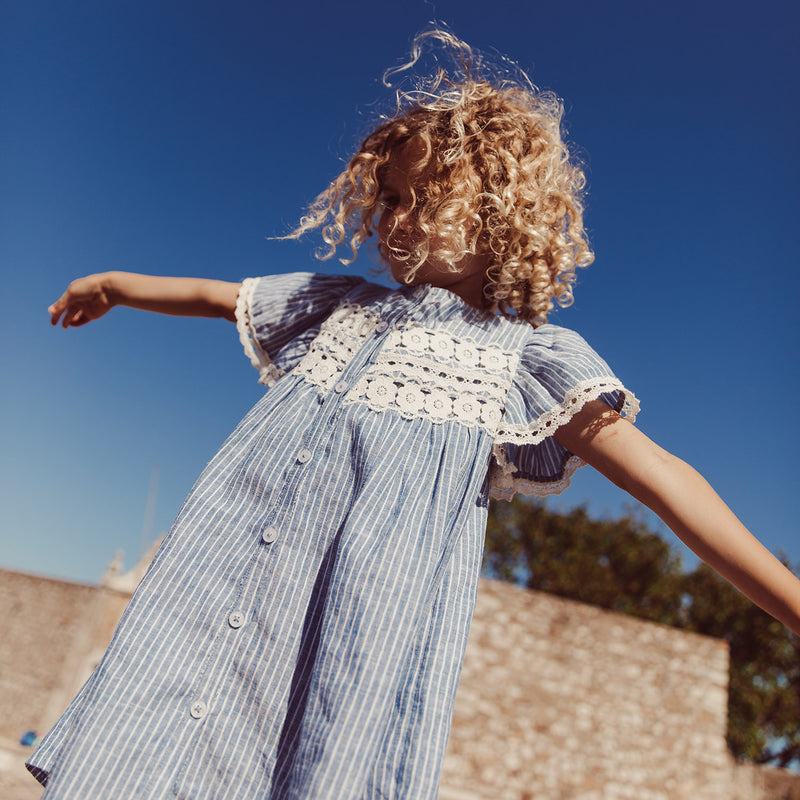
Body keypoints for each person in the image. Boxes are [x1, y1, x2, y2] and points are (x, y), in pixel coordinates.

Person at [28, 28, 800, 800]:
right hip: (212, 591)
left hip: (338, 643)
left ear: (501, 210)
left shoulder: (525, 361)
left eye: (424, 197)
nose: (397, 215)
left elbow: (665, 479)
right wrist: (117, 283)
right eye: (389, 196)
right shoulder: (337, 307)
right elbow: (216, 295)